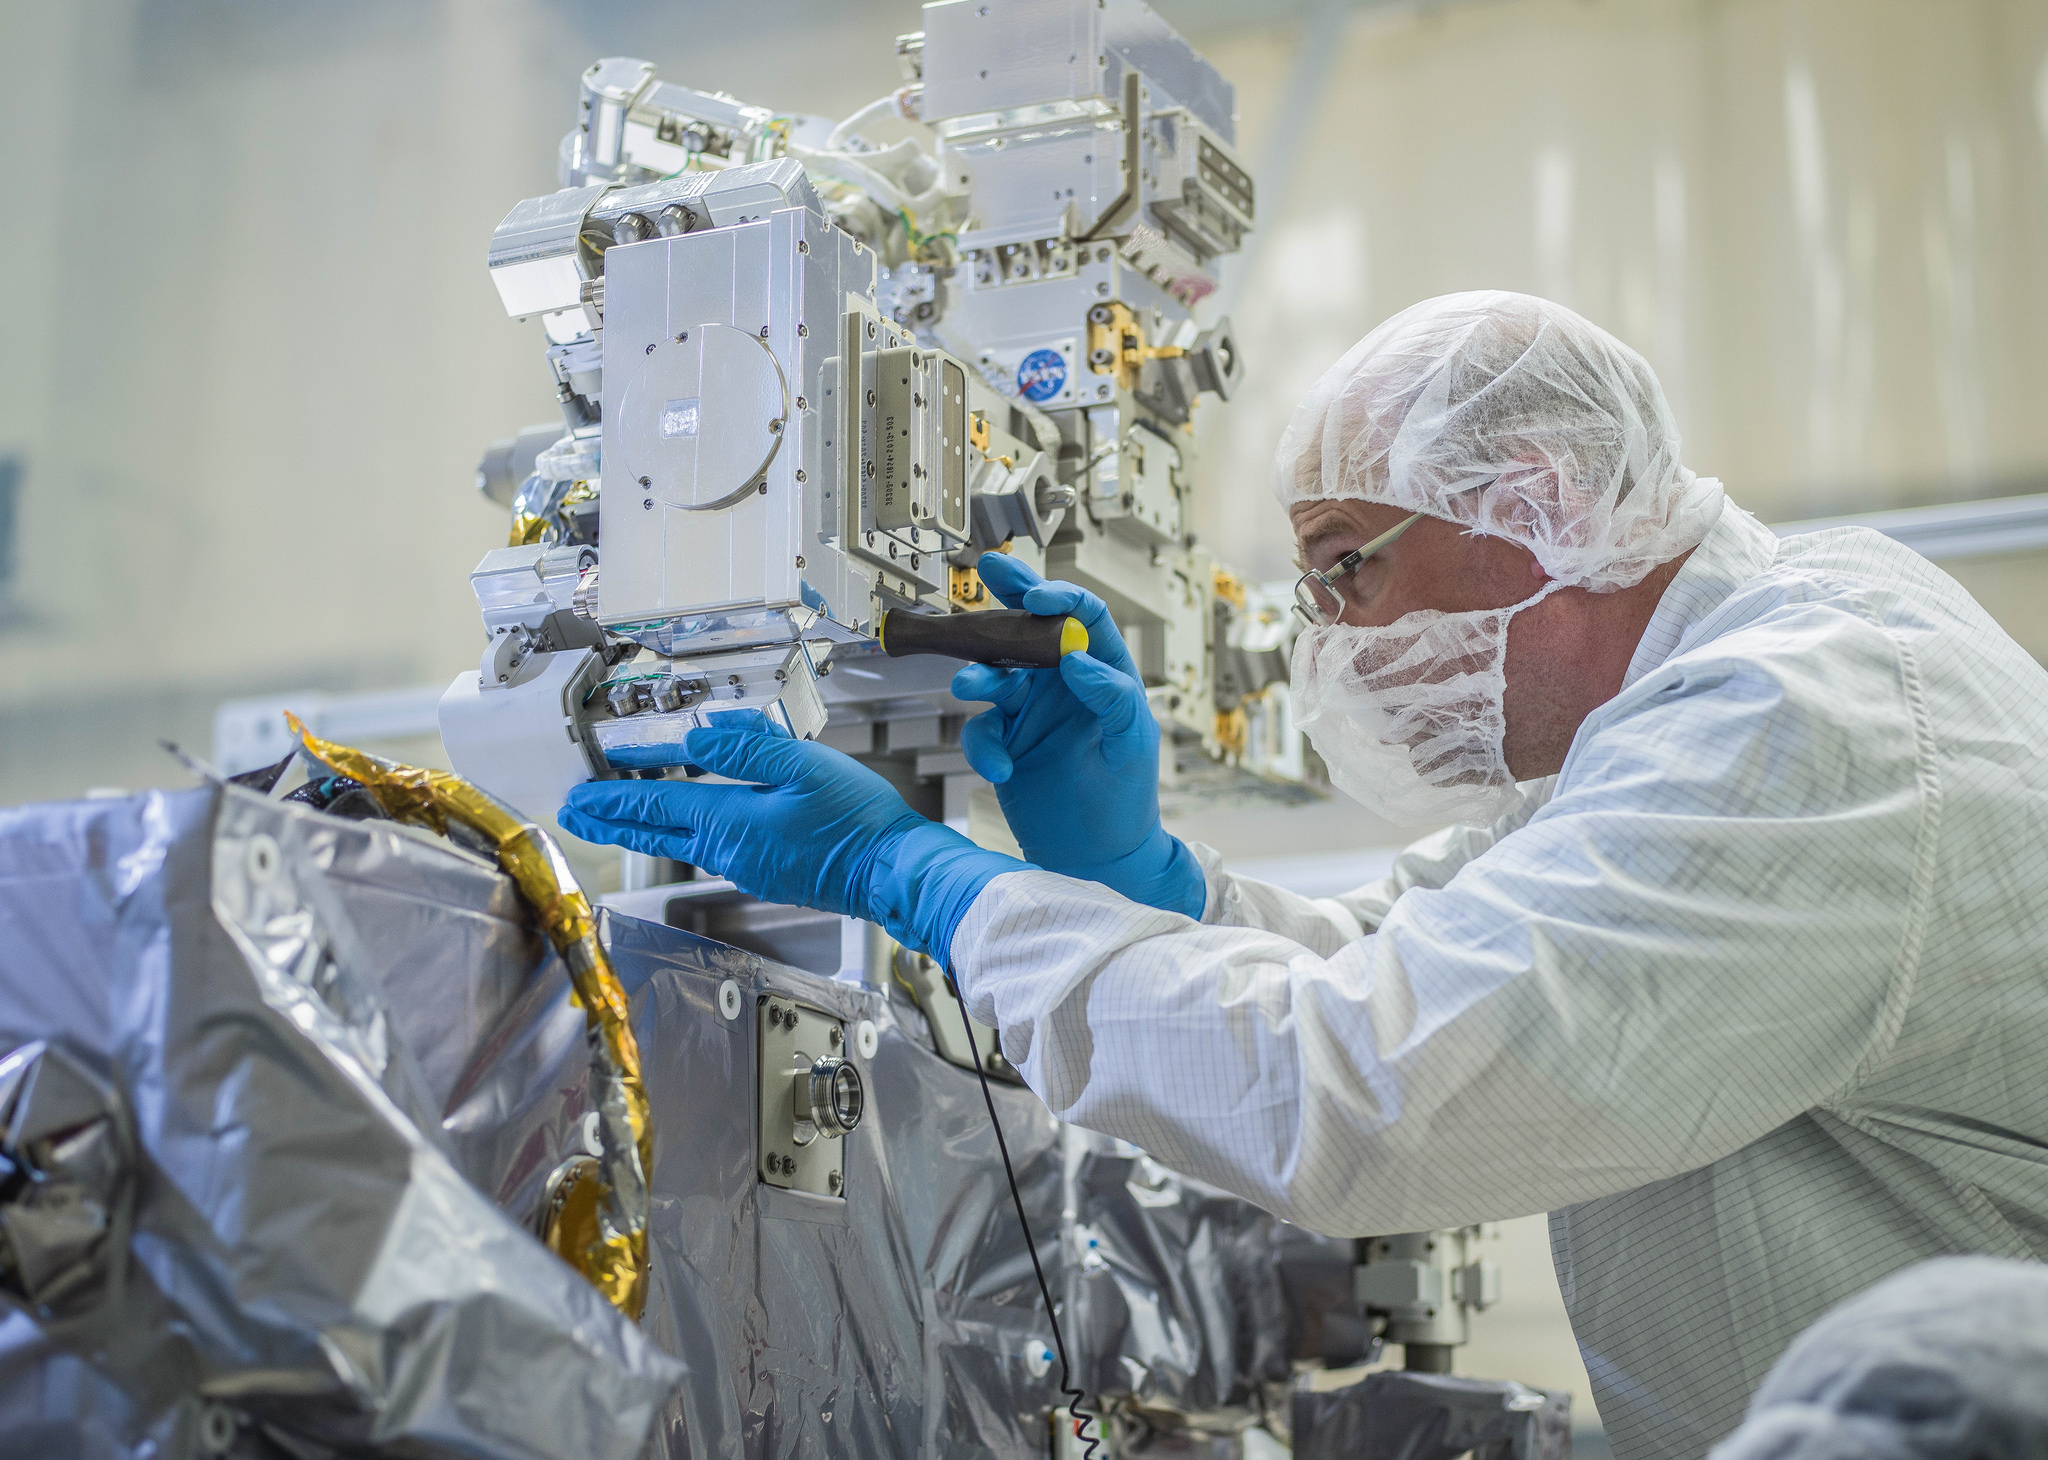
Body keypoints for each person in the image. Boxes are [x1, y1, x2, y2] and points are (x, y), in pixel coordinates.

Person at [558, 292, 2048, 1460]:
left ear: (1535, 499)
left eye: (1347, 568)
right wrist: (1139, 872)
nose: (1328, 633)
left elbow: (1363, 1082)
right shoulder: (1693, 704)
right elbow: (1391, 958)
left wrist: (922, 879)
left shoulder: (1803, 721)